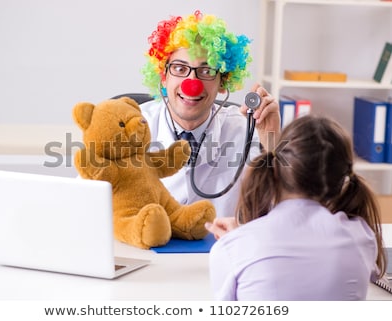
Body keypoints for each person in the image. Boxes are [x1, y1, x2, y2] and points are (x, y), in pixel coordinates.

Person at [205, 115, 387, 300]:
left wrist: (239, 240)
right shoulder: (363, 237)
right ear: (343, 178)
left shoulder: (231, 250)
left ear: (275, 170)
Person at [140, 10, 281, 218]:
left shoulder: (245, 130)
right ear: (163, 76)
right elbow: (86, 200)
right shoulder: (132, 124)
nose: (192, 84)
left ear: (223, 82)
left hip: (220, 248)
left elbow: (282, 211)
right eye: (180, 68)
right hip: (142, 248)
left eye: (206, 72)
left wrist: (271, 141)